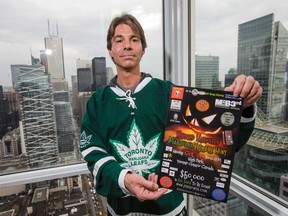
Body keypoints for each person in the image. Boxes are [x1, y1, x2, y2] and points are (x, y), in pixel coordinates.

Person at [80, 13, 262, 216]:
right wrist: (124, 178)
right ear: (111, 51)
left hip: (170, 210)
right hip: (121, 210)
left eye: (134, 39)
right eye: (119, 40)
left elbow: (218, 141)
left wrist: (242, 106)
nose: (127, 45)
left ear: (143, 49)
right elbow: (93, 153)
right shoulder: (97, 102)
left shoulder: (169, 93)